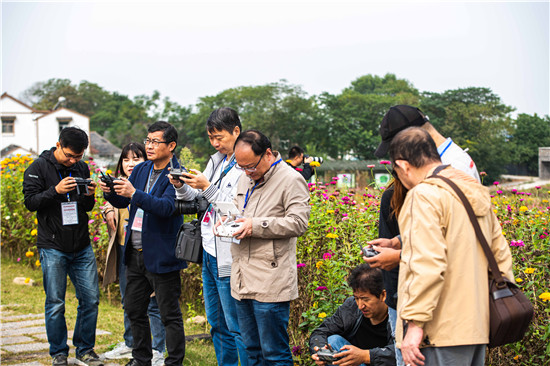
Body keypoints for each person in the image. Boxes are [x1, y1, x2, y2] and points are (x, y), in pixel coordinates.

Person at [365, 105, 481, 366]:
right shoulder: (457, 171)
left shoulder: (433, 186)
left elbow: (434, 260)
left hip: (441, 320)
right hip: (470, 316)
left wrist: (415, 327)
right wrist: (400, 241)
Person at [389, 127, 513, 366]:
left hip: (436, 333)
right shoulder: (473, 191)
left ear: (403, 166)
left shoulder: (423, 196)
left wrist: (414, 325)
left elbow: (426, 264)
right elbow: (501, 258)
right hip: (476, 327)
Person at [100, 121, 186, 366]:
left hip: (162, 254)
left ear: (171, 145)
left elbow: (168, 207)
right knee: (134, 309)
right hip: (134, 252)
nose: (149, 146)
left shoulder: (177, 173)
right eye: (147, 140)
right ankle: (141, 358)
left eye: (155, 142)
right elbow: (124, 202)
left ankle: (174, 361)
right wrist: (110, 191)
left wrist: (134, 194)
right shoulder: (142, 169)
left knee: (169, 314)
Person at [223, 129, 311, 365]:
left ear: (269, 154)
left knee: (274, 353)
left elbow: (298, 223)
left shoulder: (291, 179)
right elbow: (237, 210)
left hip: (271, 280)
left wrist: (255, 226)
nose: (247, 172)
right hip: (242, 277)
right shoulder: (245, 176)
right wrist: (227, 224)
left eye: (251, 166)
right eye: (242, 167)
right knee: (251, 350)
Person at [169, 107, 247, 366]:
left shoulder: (246, 164)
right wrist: (181, 186)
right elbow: (199, 200)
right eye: (211, 138)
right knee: (216, 322)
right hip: (210, 251)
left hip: (229, 254)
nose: (215, 143)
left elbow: (237, 211)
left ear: (236, 131)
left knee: (235, 325)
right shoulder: (216, 161)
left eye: (220, 137)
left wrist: (207, 186)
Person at [23, 127, 103, 366]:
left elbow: (86, 207)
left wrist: (89, 194)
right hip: (52, 245)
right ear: (58, 145)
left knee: (90, 300)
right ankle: (59, 352)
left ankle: (85, 349)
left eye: (78, 157)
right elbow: (30, 203)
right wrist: (55, 191)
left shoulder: (81, 167)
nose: (73, 161)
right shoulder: (37, 168)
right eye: (69, 155)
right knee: (56, 302)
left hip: (81, 244)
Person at [101, 142, 166, 365]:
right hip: (125, 246)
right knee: (130, 301)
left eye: (136, 159)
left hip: (148, 248)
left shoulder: (149, 181)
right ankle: (132, 344)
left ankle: (157, 348)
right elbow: (118, 204)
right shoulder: (122, 183)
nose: (130, 164)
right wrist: (108, 203)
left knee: (153, 303)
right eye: (126, 160)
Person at [309, 265, 396, 366]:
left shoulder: (397, 314)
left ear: (383, 295)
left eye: (365, 299)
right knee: (333, 341)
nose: (360, 305)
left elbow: (401, 353)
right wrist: (319, 350)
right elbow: (321, 332)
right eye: (356, 298)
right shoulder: (351, 308)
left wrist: (366, 356)